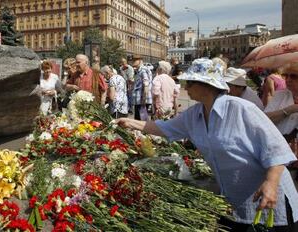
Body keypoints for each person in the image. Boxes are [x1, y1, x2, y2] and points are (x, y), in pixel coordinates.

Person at [116, 58, 298, 232]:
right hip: (236, 199)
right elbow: (164, 128)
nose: (186, 88)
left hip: (269, 197)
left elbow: (275, 148)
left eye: (190, 83)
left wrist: (271, 183)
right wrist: (130, 123)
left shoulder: (241, 109)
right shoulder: (195, 114)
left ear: (207, 86)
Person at [132, 55, 152, 120]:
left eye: (135, 60)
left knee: (141, 122)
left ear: (140, 61)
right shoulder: (139, 70)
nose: (133, 61)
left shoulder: (143, 70)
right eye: (133, 60)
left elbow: (146, 84)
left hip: (141, 101)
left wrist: (144, 99)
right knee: (140, 121)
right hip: (139, 100)